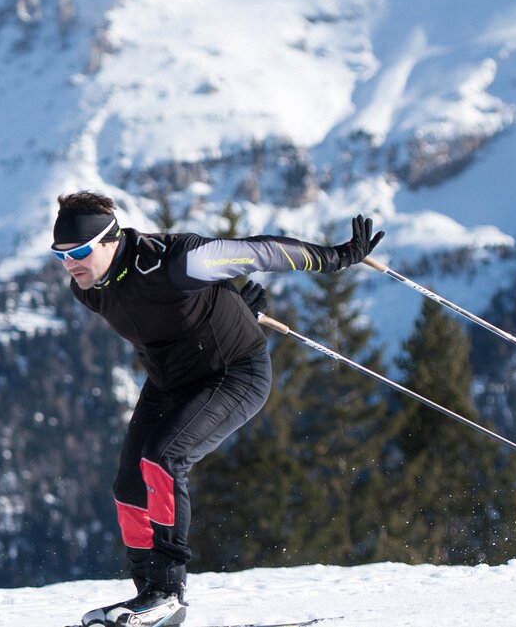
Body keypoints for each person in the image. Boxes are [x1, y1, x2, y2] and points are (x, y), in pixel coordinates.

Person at [52, 190, 382, 627]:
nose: (70, 264)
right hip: (169, 380)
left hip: (234, 372)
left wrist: (337, 258)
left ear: (111, 240)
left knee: (163, 460)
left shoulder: (176, 260)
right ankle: (148, 596)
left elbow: (260, 252)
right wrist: (225, 308)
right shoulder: (88, 288)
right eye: (60, 256)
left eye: (78, 251)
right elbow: (158, 316)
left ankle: (169, 591)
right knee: (129, 487)